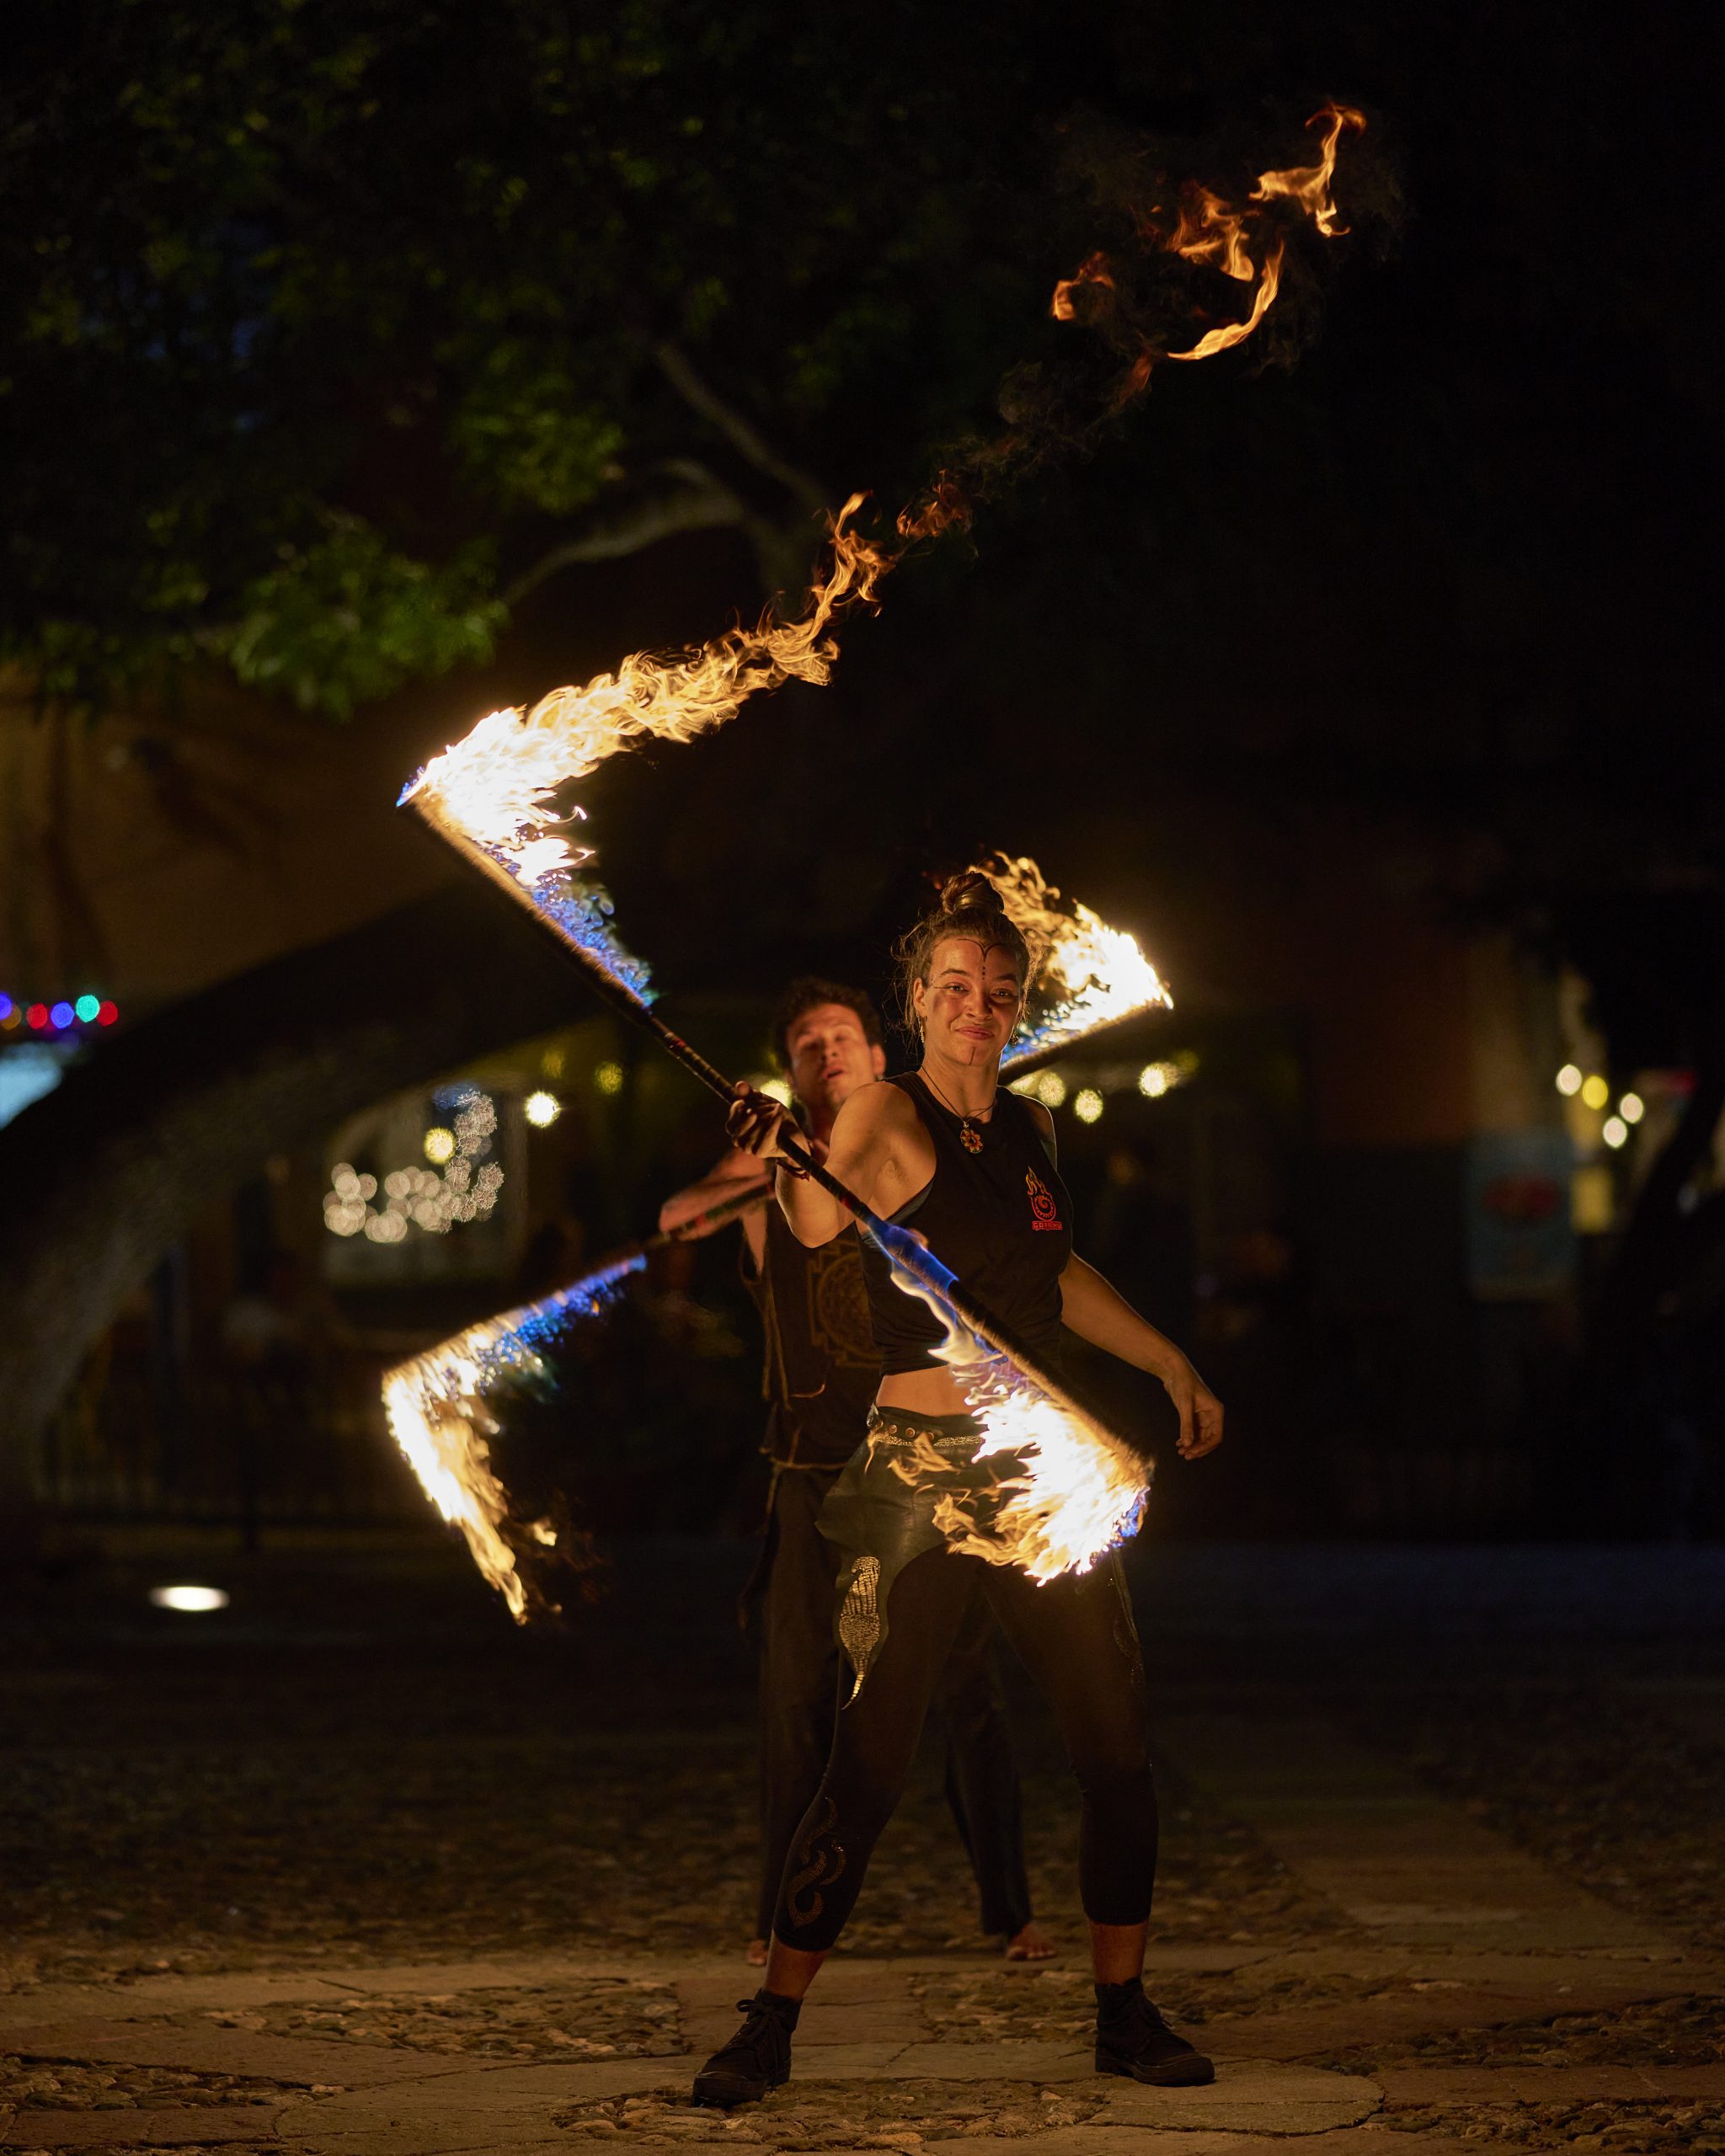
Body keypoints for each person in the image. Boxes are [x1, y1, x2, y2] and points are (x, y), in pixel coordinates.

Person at [693, 878, 1226, 2109]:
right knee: (870, 1762)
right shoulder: (887, 1108)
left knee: (1115, 1745)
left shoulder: (1032, 1134)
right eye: (953, 990)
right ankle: (771, 2018)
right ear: (917, 1004)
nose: (977, 1011)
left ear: (1019, 1007)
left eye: (998, 993)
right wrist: (789, 1159)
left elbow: (1054, 1276)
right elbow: (828, 1218)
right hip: (914, 1483)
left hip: (1038, 1473)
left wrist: (1168, 1360)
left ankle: (1124, 2010)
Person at [661, 977, 1053, 1967]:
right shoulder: (768, 1164)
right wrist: (774, 1163)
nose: (826, 1052)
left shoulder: (914, 1152)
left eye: (841, 1036)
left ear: (880, 1059)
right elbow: (677, 1219)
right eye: (805, 1044)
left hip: (922, 1470)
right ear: (790, 1071)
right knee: (795, 1697)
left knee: (967, 1690)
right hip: (809, 1473)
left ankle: (1010, 1909)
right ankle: (775, 1917)